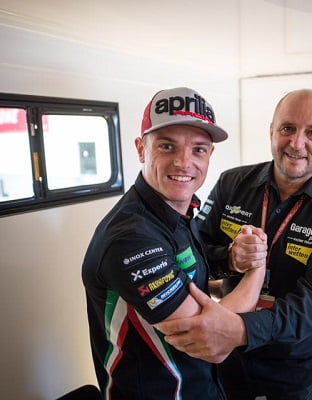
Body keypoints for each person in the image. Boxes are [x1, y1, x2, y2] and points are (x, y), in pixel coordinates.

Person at [154, 89, 312, 399]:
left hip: (291, 366)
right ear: (272, 131)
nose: (297, 143)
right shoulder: (231, 183)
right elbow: (192, 250)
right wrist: (229, 257)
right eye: (288, 128)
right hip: (226, 359)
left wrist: (242, 330)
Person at [81, 87, 267, 400]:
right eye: (167, 146)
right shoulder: (130, 238)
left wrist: (232, 258)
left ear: (210, 155)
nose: (184, 162)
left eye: (198, 149)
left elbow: (188, 271)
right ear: (141, 149)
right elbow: (212, 341)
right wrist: (257, 266)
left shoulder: (179, 210)